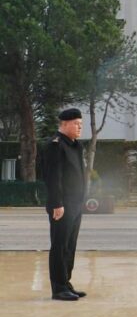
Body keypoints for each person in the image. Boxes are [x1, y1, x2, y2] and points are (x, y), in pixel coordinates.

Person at [42, 108, 87, 301]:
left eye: (81, 124)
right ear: (65, 124)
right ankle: (58, 288)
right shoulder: (55, 145)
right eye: (77, 124)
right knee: (59, 245)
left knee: (70, 245)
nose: (79, 128)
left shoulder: (76, 146)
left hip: (76, 204)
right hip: (62, 205)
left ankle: (66, 282)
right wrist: (57, 204)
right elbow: (53, 178)